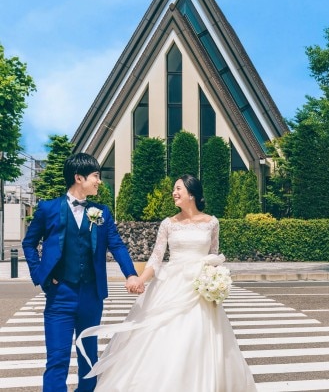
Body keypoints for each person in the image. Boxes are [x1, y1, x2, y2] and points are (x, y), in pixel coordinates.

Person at [77, 174, 257, 391]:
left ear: (192, 193)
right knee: (164, 339)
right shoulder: (168, 224)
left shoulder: (212, 222)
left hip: (200, 290)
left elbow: (214, 256)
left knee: (200, 340)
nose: (174, 192)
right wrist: (139, 280)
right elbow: (156, 257)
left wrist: (216, 282)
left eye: (179, 188)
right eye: (174, 189)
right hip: (171, 285)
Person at [22, 152, 143, 392]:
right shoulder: (48, 209)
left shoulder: (102, 212)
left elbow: (116, 244)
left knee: (89, 359)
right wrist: (41, 275)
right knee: (57, 360)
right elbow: (28, 243)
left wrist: (131, 274)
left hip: (91, 295)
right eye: (96, 176)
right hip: (59, 295)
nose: (99, 181)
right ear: (79, 177)